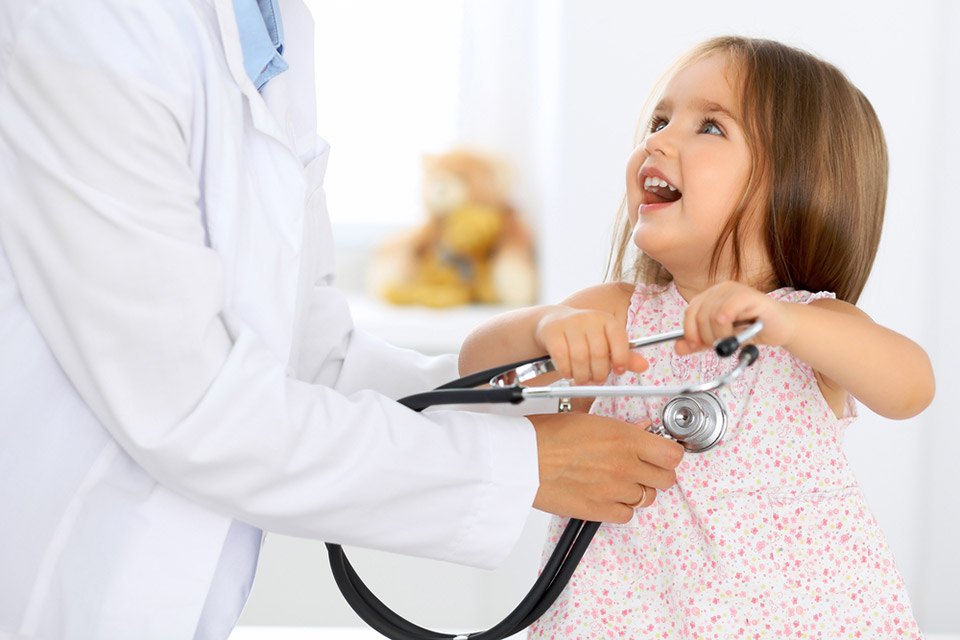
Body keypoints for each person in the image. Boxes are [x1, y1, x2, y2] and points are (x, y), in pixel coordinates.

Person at [0, 1, 684, 638]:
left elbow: (310, 354)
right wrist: (522, 465)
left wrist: (519, 395)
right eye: (660, 120)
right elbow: (190, 405)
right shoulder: (88, 21)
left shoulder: (275, 26)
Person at [459, 36, 936, 638]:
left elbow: (911, 386)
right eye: (661, 119)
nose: (656, 140)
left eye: (710, 127)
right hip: (625, 618)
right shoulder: (614, 313)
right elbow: (473, 375)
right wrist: (542, 327)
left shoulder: (810, 326)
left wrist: (784, 322)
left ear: (800, 183)